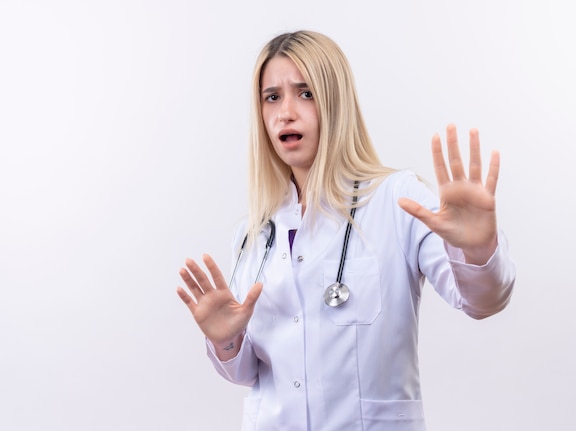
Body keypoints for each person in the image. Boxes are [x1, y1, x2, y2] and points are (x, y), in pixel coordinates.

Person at [176, 30, 515, 431]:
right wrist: (226, 340)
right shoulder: (254, 235)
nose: (285, 112)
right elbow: (247, 373)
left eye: (305, 93)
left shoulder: (396, 199)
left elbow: (482, 301)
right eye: (272, 97)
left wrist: (477, 251)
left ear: (336, 103)